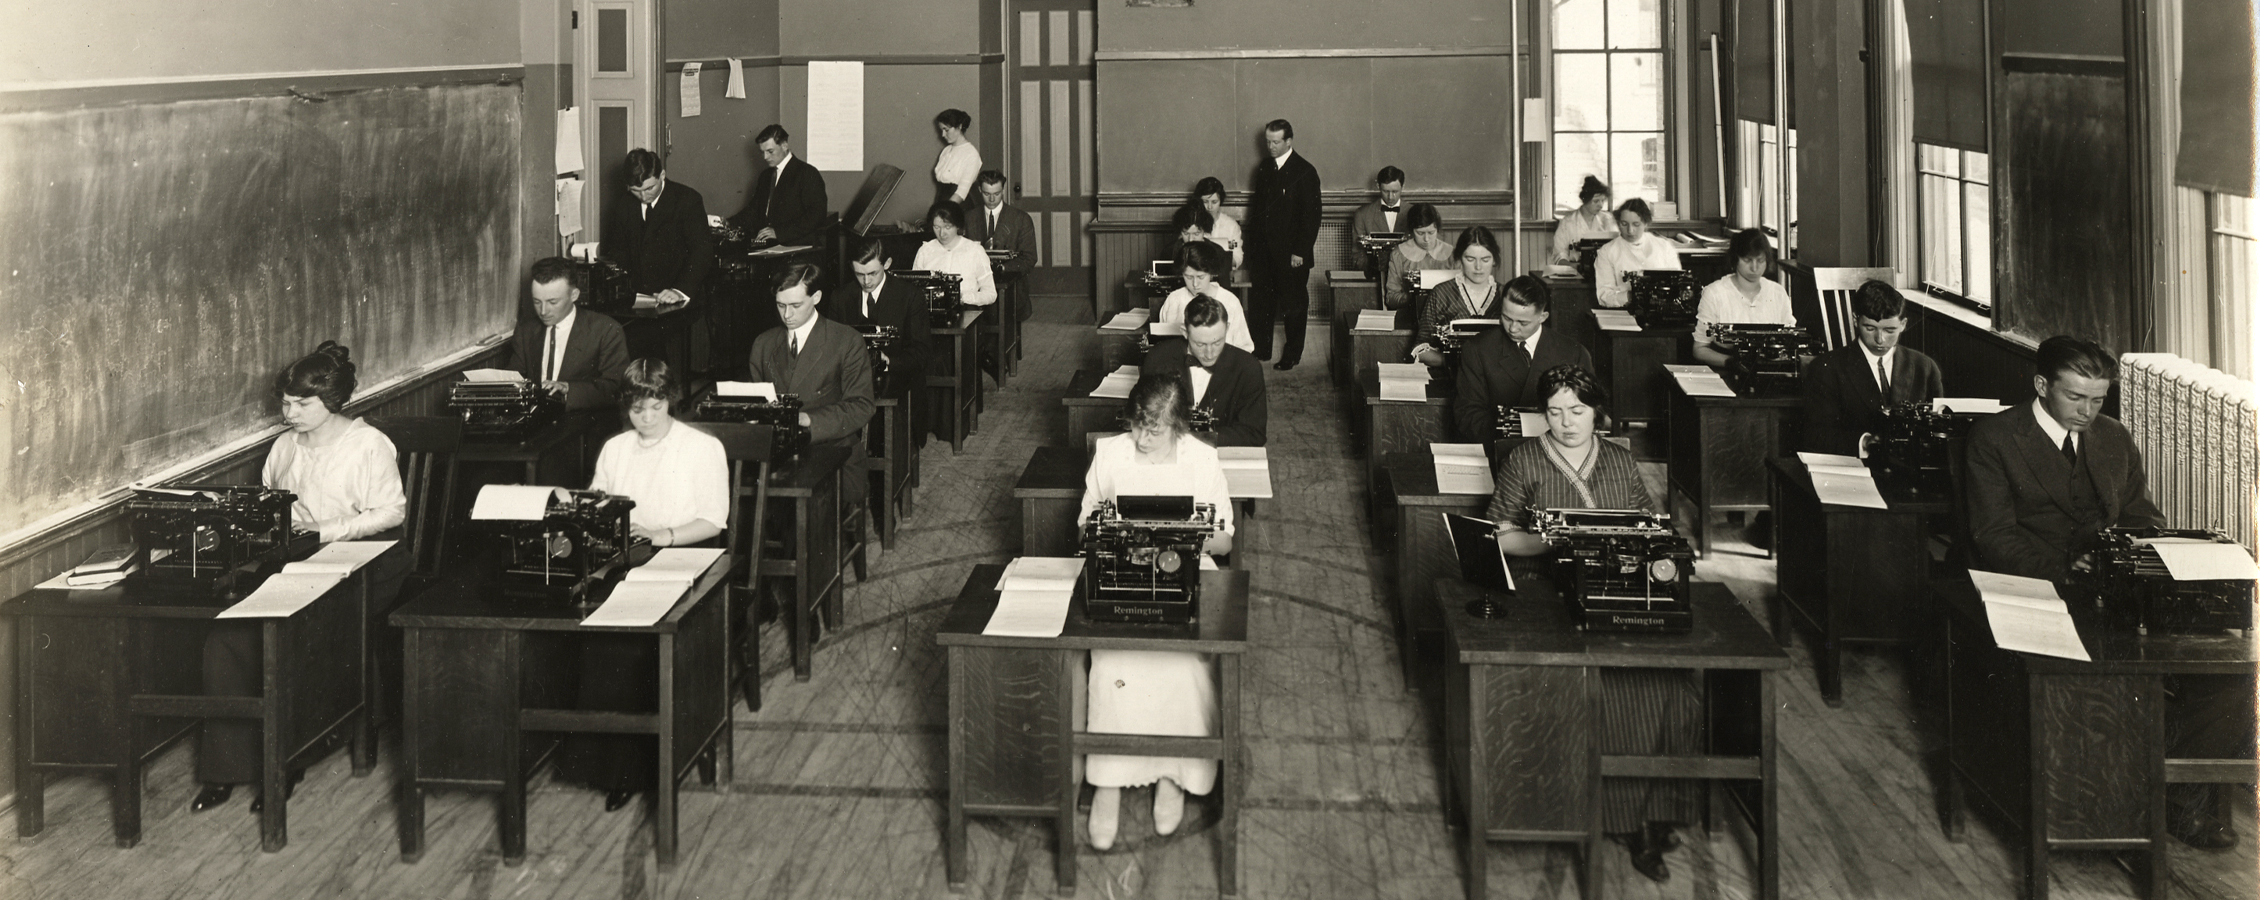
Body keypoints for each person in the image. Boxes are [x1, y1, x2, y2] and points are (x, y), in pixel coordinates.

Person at [1964, 337, 2248, 850]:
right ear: (2041, 385)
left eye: (2097, 399)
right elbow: (1994, 537)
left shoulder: (2113, 436)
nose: (2088, 411)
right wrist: (2065, 569)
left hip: (2114, 586)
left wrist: (2158, 555)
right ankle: (2099, 803)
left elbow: (2140, 513)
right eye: (2076, 398)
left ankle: (2185, 803)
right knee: (2095, 687)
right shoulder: (1996, 437)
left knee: (2224, 668)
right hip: (2042, 588)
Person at [1486, 365, 1692, 883]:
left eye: (1577, 411)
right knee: (1617, 690)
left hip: (1616, 584)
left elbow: (1650, 527)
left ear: (1597, 411)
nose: (1566, 422)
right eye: (1553, 412)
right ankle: (1624, 822)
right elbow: (1501, 537)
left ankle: (1652, 810)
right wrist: (1554, 542)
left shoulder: (1621, 461)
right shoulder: (1524, 458)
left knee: (1672, 686)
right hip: (1546, 590)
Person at [193, 342, 408, 814]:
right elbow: (272, 504)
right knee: (226, 637)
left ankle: (287, 762)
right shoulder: (284, 446)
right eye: (285, 403)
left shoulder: (368, 444)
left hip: (361, 556)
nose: (289, 413)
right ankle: (224, 769)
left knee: (295, 631)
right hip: (298, 557)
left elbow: (391, 511)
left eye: (302, 404)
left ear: (333, 401)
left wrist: (327, 529)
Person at [559, 358, 729, 812]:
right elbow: (600, 501)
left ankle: (639, 767)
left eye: (655, 407)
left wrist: (662, 537)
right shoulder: (616, 448)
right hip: (628, 554)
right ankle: (605, 765)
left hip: (685, 553)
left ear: (670, 400)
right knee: (590, 623)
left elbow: (713, 519)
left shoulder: (701, 447)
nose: (647, 419)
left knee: (634, 638)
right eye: (637, 410)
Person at [1076, 373, 1234, 851]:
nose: (1143, 439)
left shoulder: (1203, 459)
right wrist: (1113, 531)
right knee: (1113, 661)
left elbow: (1225, 540)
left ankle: (1174, 774)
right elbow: (1084, 524)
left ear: (1179, 426)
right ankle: (1107, 780)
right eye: (1139, 427)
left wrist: (1183, 531)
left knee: (1186, 664)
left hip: (1183, 573)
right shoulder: (1111, 452)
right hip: (1125, 572)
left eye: (1155, 431)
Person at [748, 262, 876, 502]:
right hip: (778, 455)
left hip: (835, 453)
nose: (787, 315)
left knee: (811, 518)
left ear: (816, 297)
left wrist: (807, 419)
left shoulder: (847, 341)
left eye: (796, 306)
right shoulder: (763, 344)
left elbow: (861, 405)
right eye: (780, 305)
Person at [1800, 280, 1945, 456]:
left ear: (1904, 324)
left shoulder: (1925, 367)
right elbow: (1815, 435)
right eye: (1870, 328)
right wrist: (1864, 442)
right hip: (1853, 466)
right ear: (1855, 320)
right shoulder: (1827, 369)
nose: (1880, 339)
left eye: (1890, 330)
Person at [1453, 276, 1596, 441]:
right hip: (1500, 445)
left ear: (1543, 317)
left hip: (1558, 445)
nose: (1513, 329)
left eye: (1523, 322)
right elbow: (1468, 415)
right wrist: (1511, 431)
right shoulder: (1478, 349)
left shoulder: (1574, 353)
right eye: (1506, 318)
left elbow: (1590, 410)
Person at [1140, 295, 1268, 447]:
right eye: (1200, 344)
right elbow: (1142, 417)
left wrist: (1196, 439)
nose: (1209, 353)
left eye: (1217, 342)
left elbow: (1254, 433)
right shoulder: (1158, 358)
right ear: (1185, 332)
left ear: (1227, 328)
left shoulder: (1248, 367)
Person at [1244, 119, 1321, 368]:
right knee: (1261, 304)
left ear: (1289, 141)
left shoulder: (1305, 171)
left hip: (1292, 255)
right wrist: (1252, 248)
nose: (1270, 146)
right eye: (1267, 141)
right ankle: (1262, 350)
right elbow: (1257, 211)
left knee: (1294, 306)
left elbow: (1311, 217)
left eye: (1275, 142)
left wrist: (1300, 251)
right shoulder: (1265, 168)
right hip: (1264, 254)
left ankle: (1292, 355)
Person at [512, 256, 631, 410]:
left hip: (583, 421)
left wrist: (568, 389)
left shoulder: (606, 330)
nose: (543, 311)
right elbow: (515, 376)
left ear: (574, 295)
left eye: (552, 302)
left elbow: (615, 387)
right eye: (537, 302)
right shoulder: (526, 329)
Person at [600, 148, 714, 308]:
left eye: (649, 188)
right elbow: (618, 251)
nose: (644, 197)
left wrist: (679, 290)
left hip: (679, 296)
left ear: (662, 176)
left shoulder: (687, 200)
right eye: (635, 191)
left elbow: (702, 252)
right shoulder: (623, 205)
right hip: (638, 297)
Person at [831, 238, 933, 399]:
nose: (866, 281)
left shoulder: (910, 295)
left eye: (872, 273)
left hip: (896, 378)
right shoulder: (840, 297)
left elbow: (921, 352)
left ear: (887, 264)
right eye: (859, 274)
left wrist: (889, 362)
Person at [1691, 228, 1795, 367]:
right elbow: (1699, 349)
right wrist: (1733, 363)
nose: (1754, 268)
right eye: (1747, 260)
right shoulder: (1714, 293)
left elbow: (1790, 341)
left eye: (1760, 260)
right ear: (1735, 259)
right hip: (1728, 368)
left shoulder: (1778, 292)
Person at [1410, 225, 1505, 367]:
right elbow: (1420, 348)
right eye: (1470, 259)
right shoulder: (1441, 293)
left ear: (1494, 260)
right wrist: (1451, 362)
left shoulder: (1504, 294)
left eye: (1485, 259)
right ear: (1460, 259)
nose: (1478, 267)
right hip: (1450, 374)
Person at [729, 124, 828, 247]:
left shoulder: (807, 173)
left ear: (785, 146)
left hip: (797, 247)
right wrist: (727, 224)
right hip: (770, 248)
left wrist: (779, 233)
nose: (765, 157)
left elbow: (817, 215)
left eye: (770, 151)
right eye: (762, 152)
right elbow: (753, 210)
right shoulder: (765, 176)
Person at [963, 169, 1039, 322]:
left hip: (1010, 288)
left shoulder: (1021, 219)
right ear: (979, 190)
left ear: (1003, 190)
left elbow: (1029, 258)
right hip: (976, 287)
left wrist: (1003, 268)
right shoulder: (968, 218)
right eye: (986, 194)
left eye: (996, 194)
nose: (992, 199)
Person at [1156, 240, 1254, 353]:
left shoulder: (1230, 302)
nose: (1195, 284)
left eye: (1200, 277)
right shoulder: (1174, 300)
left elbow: (1245, 349)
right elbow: (1163, 345)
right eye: (1188, 277)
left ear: (1211, 273)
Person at [1592, 198, 1681, 309]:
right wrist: (1633, 296)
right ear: (1618, 223)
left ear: (1646, 223)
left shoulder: (1664, 247)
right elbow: (1604, 296)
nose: (1630, 230)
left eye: (1636, 224)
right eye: (1624, 224)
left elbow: (1678, 284)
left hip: (1662, 310)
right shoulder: (1607, 252)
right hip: (1624, 312)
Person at [911, 202, 999, 309]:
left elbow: (990, 294)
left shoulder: (975, 251)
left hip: (966, 311)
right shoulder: (925, 250)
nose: (942, 233)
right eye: (937, 227)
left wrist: (962, 298)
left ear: (958, 225)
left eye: (947, 227)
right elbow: (913, 290)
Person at [1381, 203, 1453, 313]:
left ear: (1437, 229)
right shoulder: (1398, 254)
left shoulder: (1451, 253)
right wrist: (1412, 298)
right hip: (1411, 313)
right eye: (1420, 233)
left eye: (1431, 232)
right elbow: (1391, 298)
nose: (1426, 239)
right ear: (1411, 230)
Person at [1552, 175, 1617, 264]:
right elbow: (1559, 253)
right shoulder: (1567, 223)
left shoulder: (1607, 219)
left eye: (1603, 200)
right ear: (1585, 199)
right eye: (1596, 201)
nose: (1601, 205)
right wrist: (1570, 268)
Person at [1191, 176, 1244, 272]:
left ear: (1220, 201)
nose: (1209, 207)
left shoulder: (1231, 225)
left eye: (1214, 202)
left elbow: (1238, 257)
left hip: (1223, 273)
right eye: (1205, 202)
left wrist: (1224, 258)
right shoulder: (1192, 223)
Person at [931, 108, 981, 205]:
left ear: (960, 126)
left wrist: (945, 213)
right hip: (942, 201)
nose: (943, 135)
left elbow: (962, 192)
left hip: (960, 205)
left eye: (946, 130)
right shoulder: (946, 151)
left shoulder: (971, 154)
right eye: (941, 130)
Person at [1350, 165, 1407, 242]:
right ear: (1378, 186)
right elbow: (1357, 252)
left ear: (1403, 187)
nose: (1390, 197)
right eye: (1386, 191)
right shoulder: (1362, 214)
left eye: (1395, 191)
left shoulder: (1414, 212)